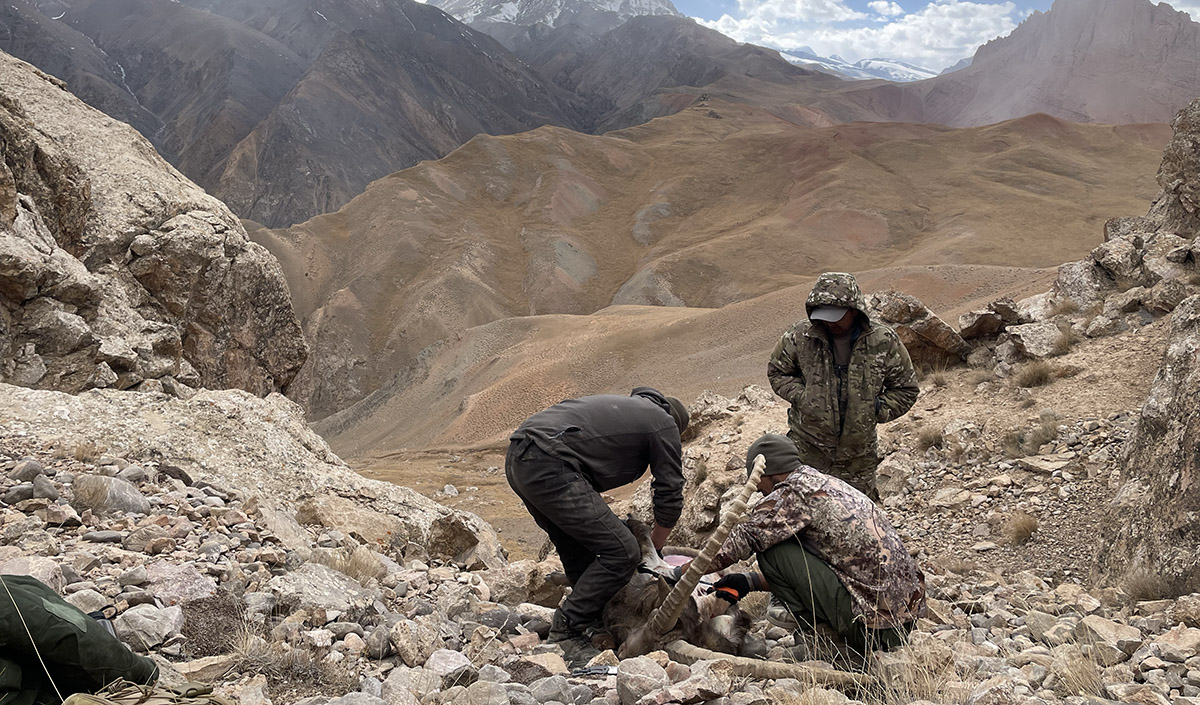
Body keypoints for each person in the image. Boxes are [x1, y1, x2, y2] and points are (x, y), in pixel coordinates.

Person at [701, 434, 925, 662]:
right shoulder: (823, 482)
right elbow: (833, 568)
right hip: (902, 622)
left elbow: (744, 538)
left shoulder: (792, 493)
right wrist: (750, 581)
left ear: (772, 475)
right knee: (782, 540)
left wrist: (678, 573)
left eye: (762, 486)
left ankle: (829, 643)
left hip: (874, 630)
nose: (762, 493)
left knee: (771, 550)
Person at [506, 387, 689, 660]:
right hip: (550, 460)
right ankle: (565, 630)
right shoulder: (663, 423)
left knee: (576, 544)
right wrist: (654, 549)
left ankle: (588, 622)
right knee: (624, 551)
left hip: (519, 459)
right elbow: (670, 491)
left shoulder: (625, 411)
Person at [767, 271, 919, 499]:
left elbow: (906, 389)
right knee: (803, 516)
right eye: (823, 315)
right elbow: (778, 371)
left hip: (857, 459)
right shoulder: (800, 336)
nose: (829, 323)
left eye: (836, 316)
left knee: (858, 519)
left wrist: (875, 409)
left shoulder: (883, 341)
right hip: (807, 451)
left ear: (854, 311)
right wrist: (803, 396)